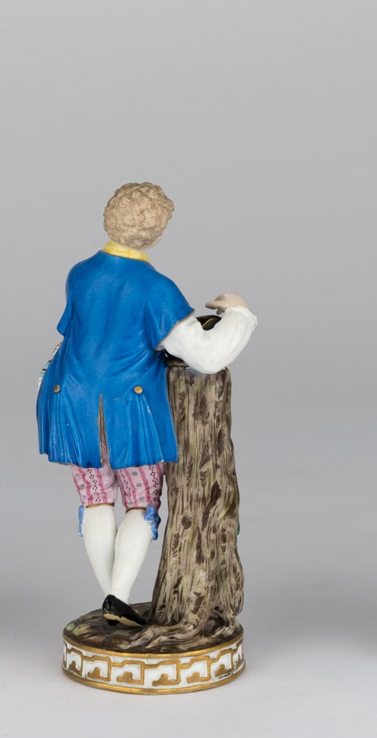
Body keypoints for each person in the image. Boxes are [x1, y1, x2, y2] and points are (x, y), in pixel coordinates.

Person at [37, 183, 257, 626]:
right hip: (128, 410)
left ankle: (110, 598)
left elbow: (75, 333)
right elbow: (206, 357)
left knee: (95, 500)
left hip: (72, 399)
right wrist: (239, 314)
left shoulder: (80, 273)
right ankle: (117, 596)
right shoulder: (157, 289)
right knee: (141, 503)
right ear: (157, 231)